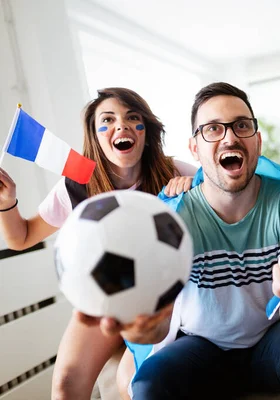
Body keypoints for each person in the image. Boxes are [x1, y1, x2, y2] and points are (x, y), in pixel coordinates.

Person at [101, 82, 280, 400]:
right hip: (200, 349)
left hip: (270, 341)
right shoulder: (174, 216)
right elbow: (157, 325)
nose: (230, 137)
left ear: (257, 141)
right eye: (213, 129)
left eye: (241, 126)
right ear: (194, 148)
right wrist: (144, 323)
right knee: (149, 383)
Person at [0, 87, 196, 399]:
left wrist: (195, 189)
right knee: (66, 384)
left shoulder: (175, 172)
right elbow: (20, 238)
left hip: (162, 300)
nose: (122, 126)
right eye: (108, 120)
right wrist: (6, 202)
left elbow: (226, 202)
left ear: (147, 131)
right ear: (95, 135)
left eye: (133, 118)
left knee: (131, 382)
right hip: (103, 298)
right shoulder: (77, 186)